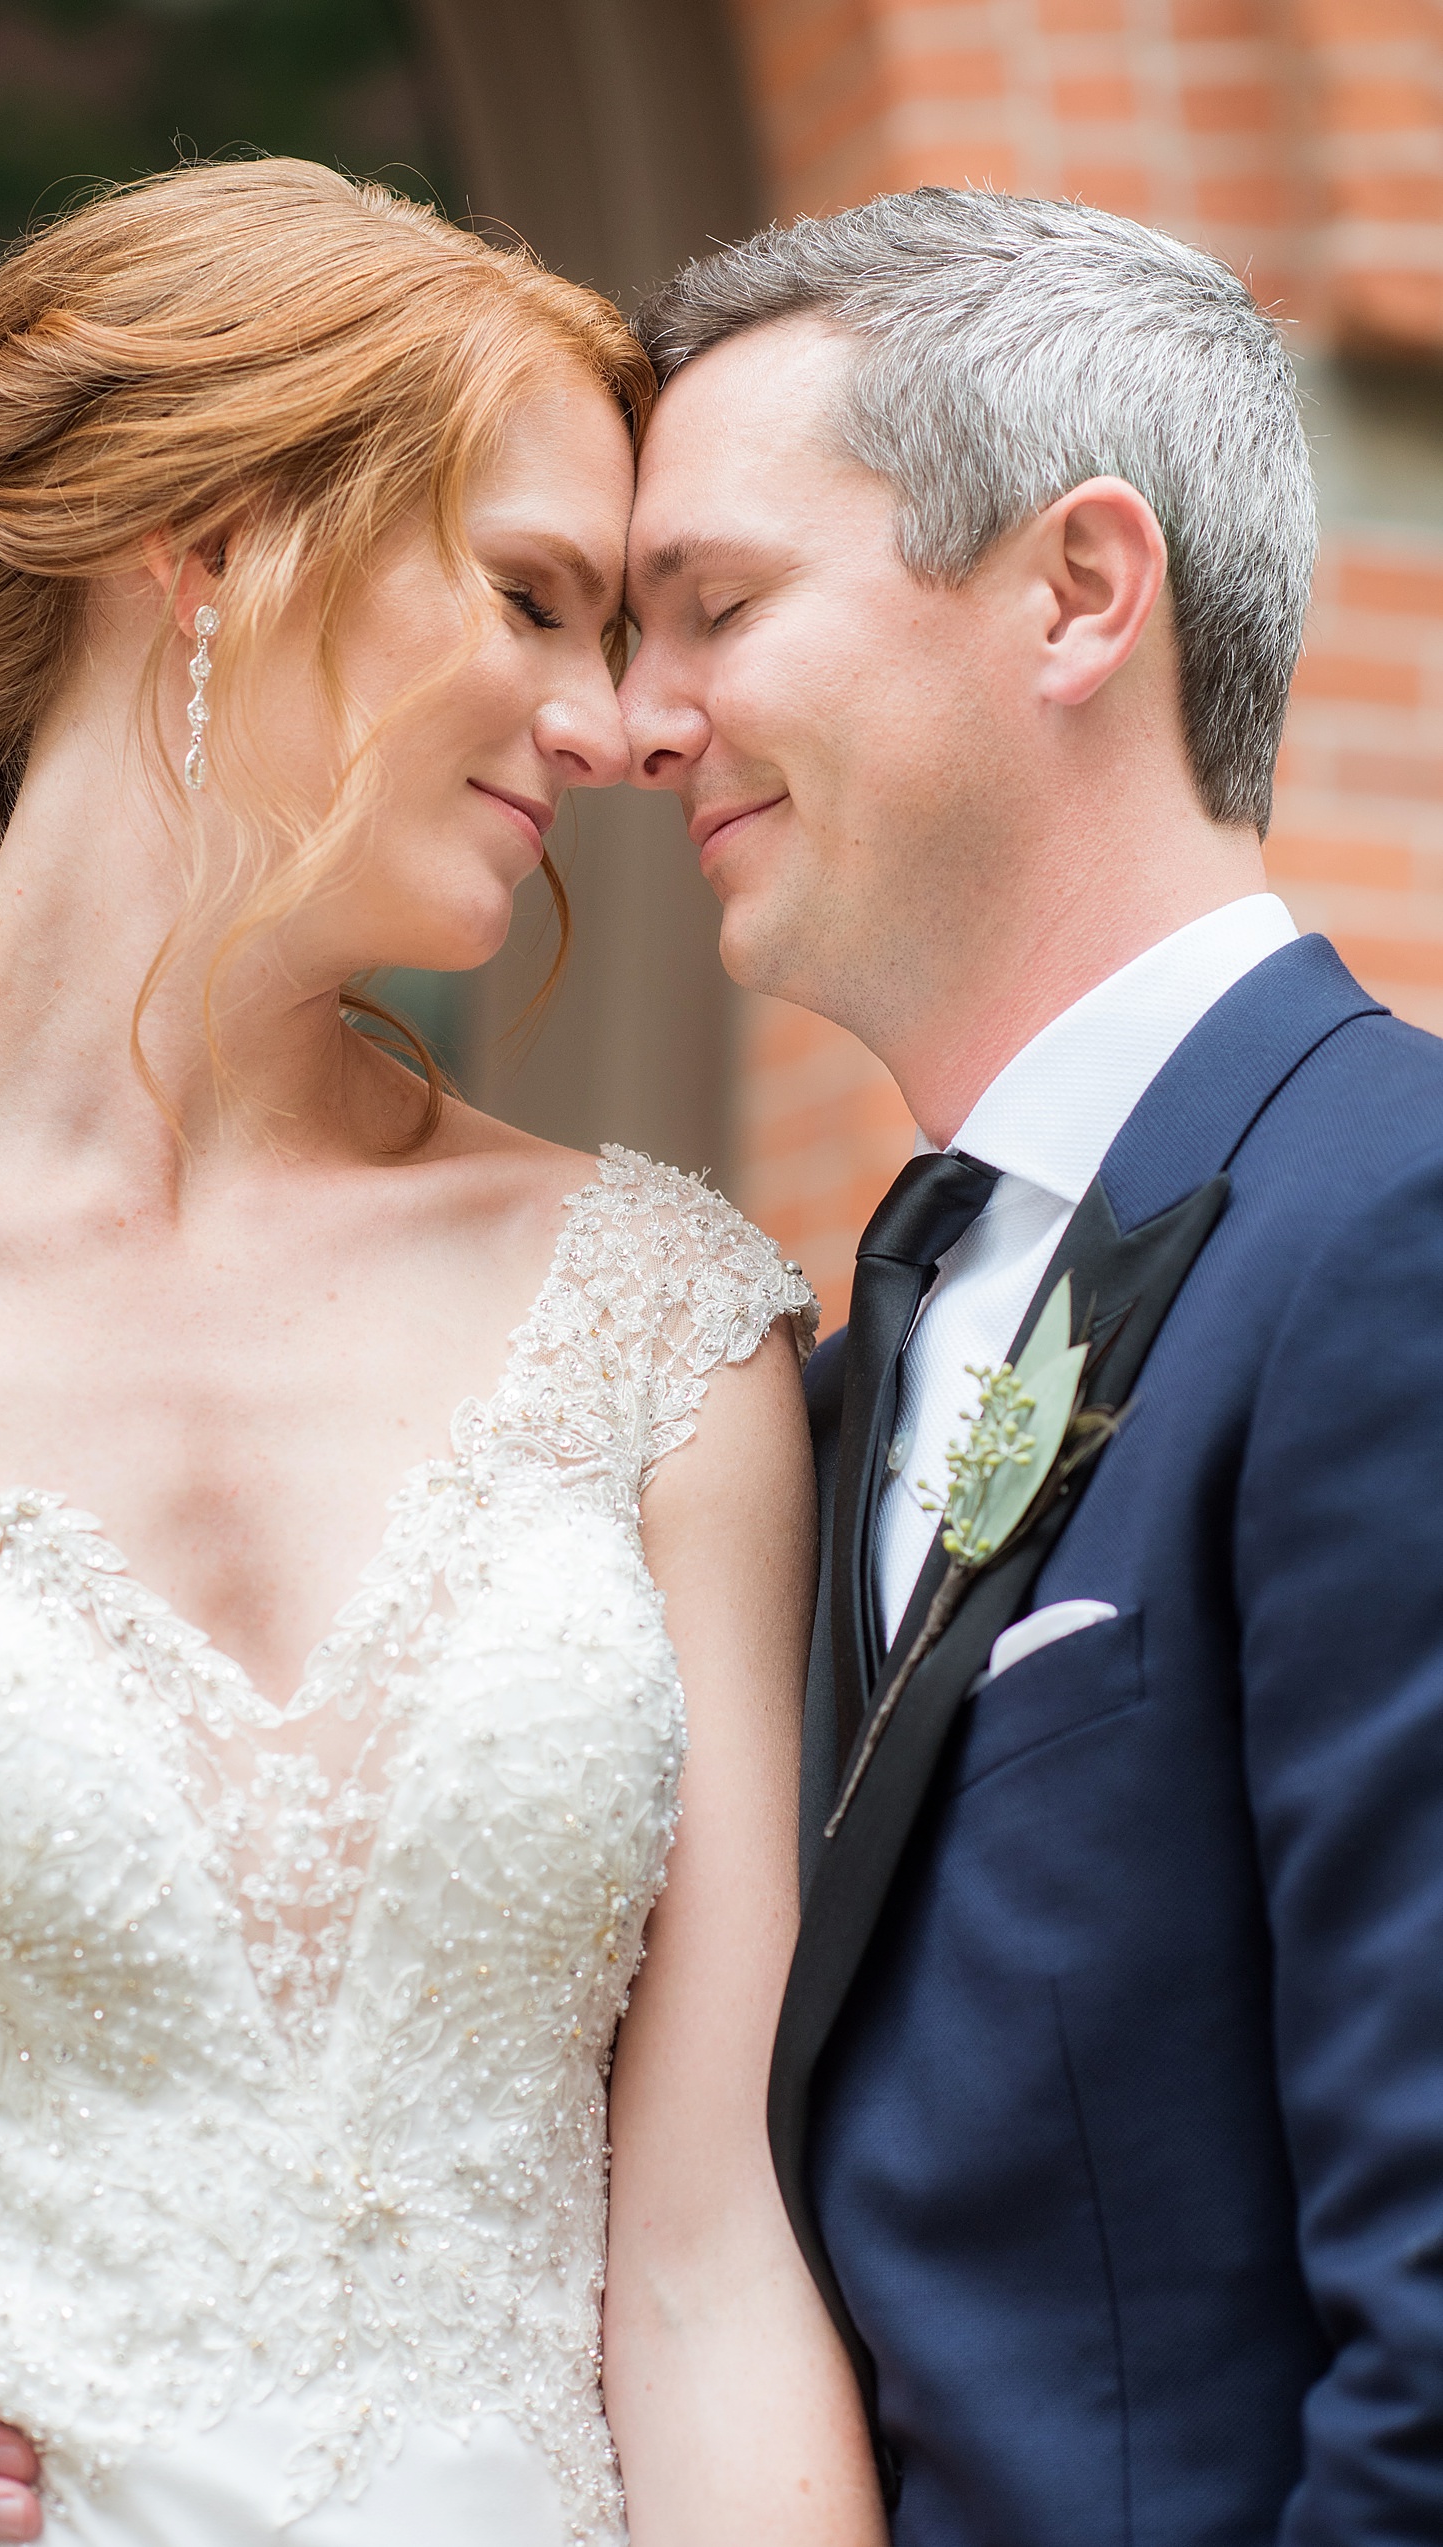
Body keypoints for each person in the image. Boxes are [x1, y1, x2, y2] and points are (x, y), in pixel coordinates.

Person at [0, 160, 883, 2547]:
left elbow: (707, 2260)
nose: (604, 725)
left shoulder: (660, 1329)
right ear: (215, 538)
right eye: (531, 598)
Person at [617, 191, 1443, 2537]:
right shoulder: (839, 1356)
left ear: (1077, 592)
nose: (646, 717)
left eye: (722, 607)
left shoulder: (1393, 1228)